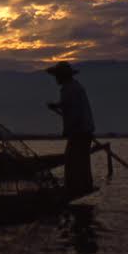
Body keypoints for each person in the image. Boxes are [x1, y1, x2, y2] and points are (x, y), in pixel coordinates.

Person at [46, 61, 95, 195]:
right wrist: (57, 106)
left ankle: (75, 187)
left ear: (62, 76)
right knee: (80, 160)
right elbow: (68, 105)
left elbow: (75, 112)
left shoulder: (70, 89)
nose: (55, 78)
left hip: (80, 131)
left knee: (73, 160)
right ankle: (82, 185)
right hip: (84, 130)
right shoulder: (72, 87)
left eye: (57, 76)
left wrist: (69, 130)